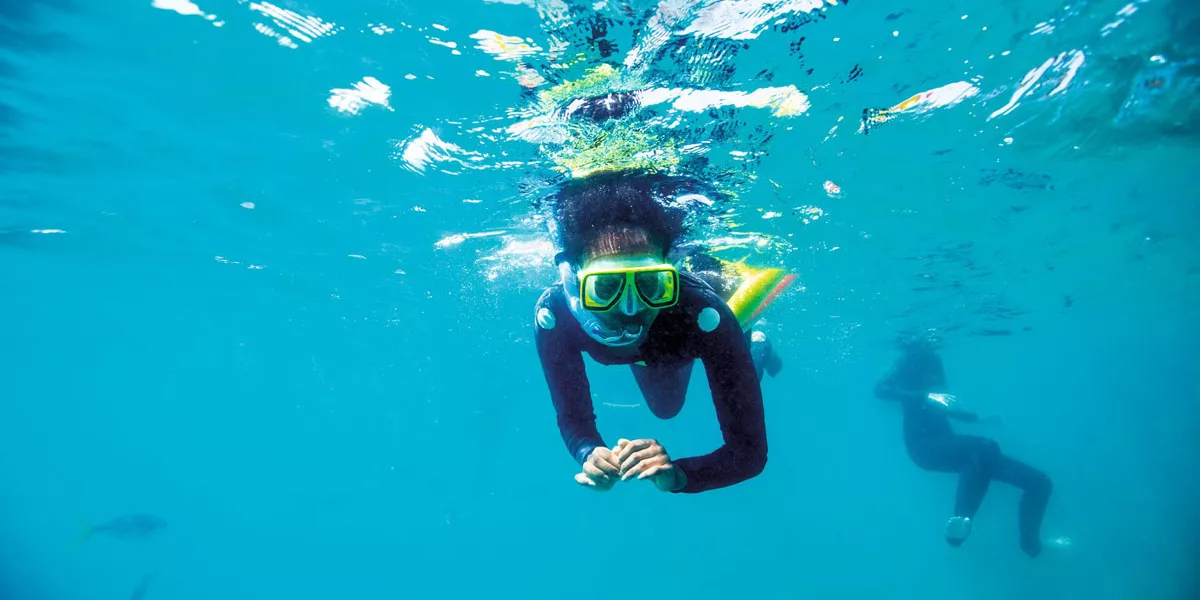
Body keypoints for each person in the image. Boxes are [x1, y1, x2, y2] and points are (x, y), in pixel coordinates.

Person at [531, 168, 791, 494]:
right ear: (574, 282)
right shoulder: (555, 313)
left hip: (686, 335)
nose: (629, 309)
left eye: (650, 284)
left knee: (671, 401)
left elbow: (750, 453)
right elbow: (573, 419)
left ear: (670, 273)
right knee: (665, 408)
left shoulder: (703, 313)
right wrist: (589, 451)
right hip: (663, 350)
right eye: (606, 287)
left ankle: (755, 346)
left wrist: (678, 476)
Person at [874, 340, 1060, 557]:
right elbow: (880, 390)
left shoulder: (935, 363)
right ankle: (960, 523)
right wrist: (925, 395)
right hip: (923, 449)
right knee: (984, 448)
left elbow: (945, 406)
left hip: (954, 446)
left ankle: (1032, 546)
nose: (932, 348)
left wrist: (979, 419)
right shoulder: (906, 362)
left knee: (1040, 482)